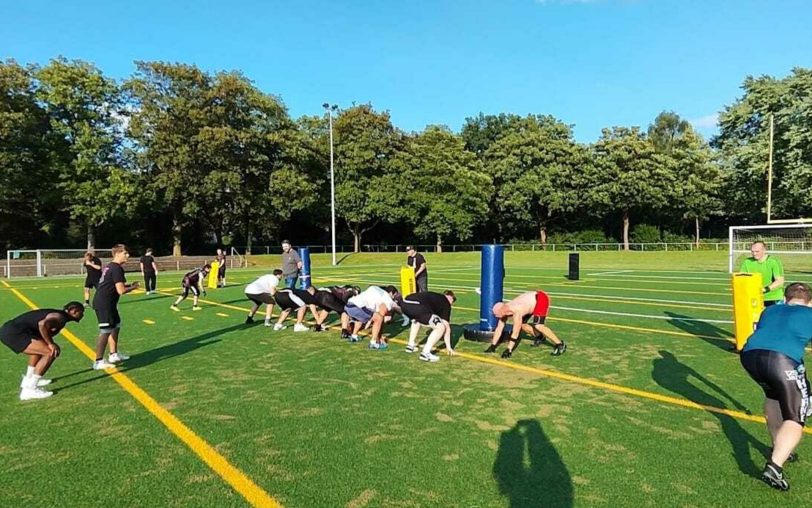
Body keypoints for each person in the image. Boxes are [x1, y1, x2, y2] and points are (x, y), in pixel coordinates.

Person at [740, 282, 812, 491]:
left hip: (749, 356)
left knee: (773, 395)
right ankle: (774, 466)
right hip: (781, 360)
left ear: (786, 298)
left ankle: (779, 447)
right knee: (796, 416)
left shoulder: (769, 310)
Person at [1, 301, 85, 400]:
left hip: (9, 330)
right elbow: (42, 324)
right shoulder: (60, 318)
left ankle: (28, 380)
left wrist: (48, 342)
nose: (82, 315)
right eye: (81, 312)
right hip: (15, 333)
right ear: (73, 311)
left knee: (41, 349)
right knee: (50, 352)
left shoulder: (60, 316)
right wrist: (50, 343)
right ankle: (29, 390)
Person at [92, 244, 140, 370]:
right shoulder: (116, 268)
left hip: (109, 303)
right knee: (105, 331)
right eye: (125, 253)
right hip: (104, 303)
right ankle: (98, 361)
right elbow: (121, 291)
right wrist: (133, 287)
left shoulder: (111, 266)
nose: (128, 255)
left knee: (116, 326)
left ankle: (113, 354)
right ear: (117, 254)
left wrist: (129, 285)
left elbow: (114, 285)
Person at [484, 290, 566, 358]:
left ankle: (560, 344)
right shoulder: (504, 310)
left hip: (540, 298)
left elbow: (515, 332)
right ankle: (540, 337)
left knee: (538, 325)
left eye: (497, 314)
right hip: (529, 303)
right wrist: (493, 346)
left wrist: (509, 349)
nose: (497, 316)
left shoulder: (516, 311)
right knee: (523, 326)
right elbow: (499, 329)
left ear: (502, 311)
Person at [401, 290, 456, 362]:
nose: (451, 304)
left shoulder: (436, 297)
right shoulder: (446, 303)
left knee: (416, 320)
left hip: (405, 303)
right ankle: (425, 353)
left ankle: (410, 346)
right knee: (440, 327)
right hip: (417, 306)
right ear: (450, 298)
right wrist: (449, 347)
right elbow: (447, 327)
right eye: (453, 301)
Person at [740, 241, 785, 307]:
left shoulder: (773, 261)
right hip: (755, 297)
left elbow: (780, 281)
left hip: (773, 297)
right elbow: (742, 278)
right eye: (752, 251)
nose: (754, 254)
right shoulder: (747, 262)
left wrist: (765, 289)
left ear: (764, 250)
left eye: (757, 251)